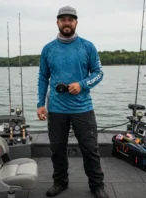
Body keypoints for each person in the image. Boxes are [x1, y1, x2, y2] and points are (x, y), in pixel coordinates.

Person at [37, 6, 108, 198]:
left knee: (90, 149)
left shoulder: (88, 46)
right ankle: (60, 182)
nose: (67, 22)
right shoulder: (48, 49)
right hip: (56, 109)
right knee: (57, 149)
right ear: (57, 22)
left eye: (70, 19)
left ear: (76, 22)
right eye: (63, 19)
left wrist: (82, 85)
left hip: (83, 108)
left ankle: (97, 186)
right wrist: (40, 104)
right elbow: (43, 78)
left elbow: (98, 73)